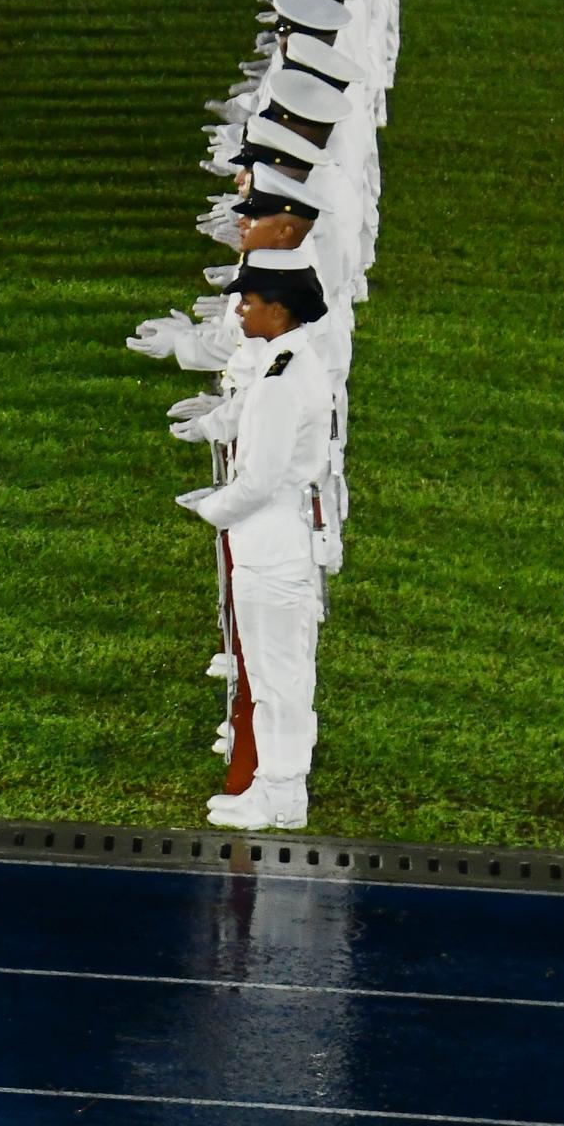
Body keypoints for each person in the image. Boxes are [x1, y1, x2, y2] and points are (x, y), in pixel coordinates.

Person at [178, 256, 332, 832]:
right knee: (273, 675)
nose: (240, 309)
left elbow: (260, 481)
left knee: (278, 676)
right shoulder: (289, 364)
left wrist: (211, 509)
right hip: (279, 532)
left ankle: (284, 795)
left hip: (271, 538)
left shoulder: (279, 382)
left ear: (279, 310)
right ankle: (273, 786)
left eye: (250, 301)